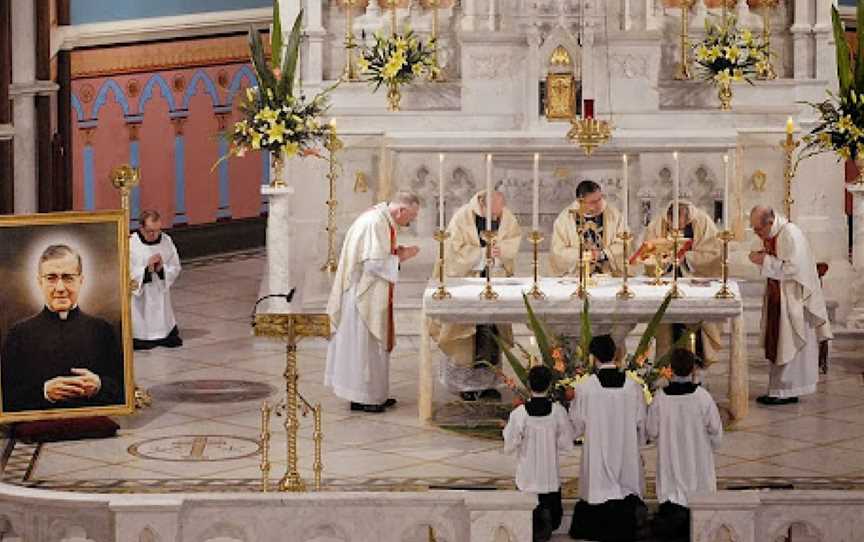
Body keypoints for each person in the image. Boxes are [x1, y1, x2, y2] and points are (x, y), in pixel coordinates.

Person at [324, 191, 421, 413]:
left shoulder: (381, 218)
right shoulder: (375, 222)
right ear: (400, 210)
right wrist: (402, 257)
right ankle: (364, 397)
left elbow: (377, 254)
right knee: (364, 347)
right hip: (361, 296)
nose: (412, 221)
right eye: (411, 216)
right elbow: (373, 264)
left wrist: (397, 252)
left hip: (366, 292)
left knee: (370, 348)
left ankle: (375, 394)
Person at [0, 244, 124, 412]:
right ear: (39, 282)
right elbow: (7, 395)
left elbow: (123, 389)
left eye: (68, 277)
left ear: (81, 280)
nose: (60, 288)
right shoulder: (18, 334)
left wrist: (99, 385)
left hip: (93, 422)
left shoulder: (103, 330)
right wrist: (44, 392)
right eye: (51, 278)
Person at [429, 190, 522, 401]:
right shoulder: (462, 217)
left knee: (492, 332)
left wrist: (500, 253)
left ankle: (489, 383)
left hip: (495, 281)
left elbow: (512, 240)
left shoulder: (505, 216)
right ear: (483, 205)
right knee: (467, 335)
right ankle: (467, 385)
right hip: (467, 282)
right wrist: (482, 254)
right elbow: (453, 250)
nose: (499, 217)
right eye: (495, 214)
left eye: (500, 212)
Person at [748, 206, 832, 405]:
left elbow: (793, 268)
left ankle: (785, 390)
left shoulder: (789, 234)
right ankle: (781, 389)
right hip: (783, 295)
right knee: (781, 342)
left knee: (788, 342)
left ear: (769, 223)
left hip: (794, 299)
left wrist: (764, 260)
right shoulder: (779, 232)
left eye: (758, 229)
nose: (757, 234)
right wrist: (764, 258)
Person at [569, 335, 647, 542]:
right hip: (625, 453)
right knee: (626, 483)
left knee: (597, 488)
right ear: (615, 354)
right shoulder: (632, 387)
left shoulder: (586, 388)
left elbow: (576, 425)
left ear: (593, 357)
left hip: (597, 454)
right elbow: (642, 423)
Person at [647, 349, 723, 540]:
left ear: (670, 369)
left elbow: (652, 431)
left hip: (670, 464)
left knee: (671, 502)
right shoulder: (703, 397)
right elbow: (716, 431)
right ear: (693, 369)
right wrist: (709, 446)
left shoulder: (660, 398)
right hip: (699, 467)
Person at [642, 200, 723, 366]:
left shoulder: (702, 222)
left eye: (682, 225)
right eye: (673, 225)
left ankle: (692, 366)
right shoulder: (658, 224)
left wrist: (686, 257)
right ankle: (664, 368)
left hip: (694, 282)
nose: (677, 229)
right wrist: (664, 260)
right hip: (666, 283)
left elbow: (714, 253)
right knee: (666, 328)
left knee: (693, 326)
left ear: (688, 218)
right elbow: (647, 254)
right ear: (669, 218)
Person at [503, 365, 573, 542]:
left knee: (527, 519)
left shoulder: (519, 414)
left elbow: (510, 444)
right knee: (553, 516)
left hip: (527, 481)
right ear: (550, 385)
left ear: (528, 384)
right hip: (549, 480)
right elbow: (566, 444)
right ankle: (548, 520)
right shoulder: (558, 411)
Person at [130, 210, 182, 350]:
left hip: (160, 293)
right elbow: (126, 272)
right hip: (141, 298)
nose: (154, 235)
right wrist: (146, 270)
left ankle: (163, 333)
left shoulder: (166, 240)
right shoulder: (131, 244)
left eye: (157, 230)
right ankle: (143, 336)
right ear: (141, 227)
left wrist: (161, 269)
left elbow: (175, 267)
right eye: (150, 231)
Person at [549, 180, 625, 277]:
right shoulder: (565, 219)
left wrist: (603, 254)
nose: (599, 204)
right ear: (580, 201)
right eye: (593, 202)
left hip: (608, 275)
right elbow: (558, 252)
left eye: (600, 199)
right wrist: (583, 255)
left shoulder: (613, 215)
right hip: (577, 277)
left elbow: (624, 243)